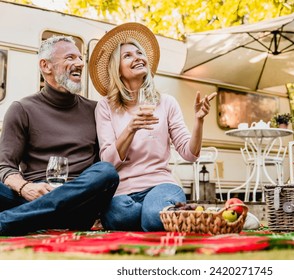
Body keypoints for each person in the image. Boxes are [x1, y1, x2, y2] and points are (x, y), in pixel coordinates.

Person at [90, 22, 216, 231]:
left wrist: (199, 120)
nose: (138, 57)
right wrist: (131, 128)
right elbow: (108, 163)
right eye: (128, 55)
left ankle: (158, 213)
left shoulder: (166, 102)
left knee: (151, 217)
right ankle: (172, 215)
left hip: (161, 184)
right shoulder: (105, 106)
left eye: (139, 53)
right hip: (123, 191)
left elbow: (190, 154)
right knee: (122, 215)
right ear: (117, 70)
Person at [0, 36, 119, 236]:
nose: (80, 64)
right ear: (46, 66)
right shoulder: (22, 109)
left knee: (106, 171)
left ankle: (9, 221)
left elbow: (103, 163)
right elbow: (5, 166)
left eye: (80, 58)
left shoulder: (95, 110)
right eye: (71, 57)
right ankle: (32, 218)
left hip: (79, 204)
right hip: (31, 196)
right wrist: (25, 188)